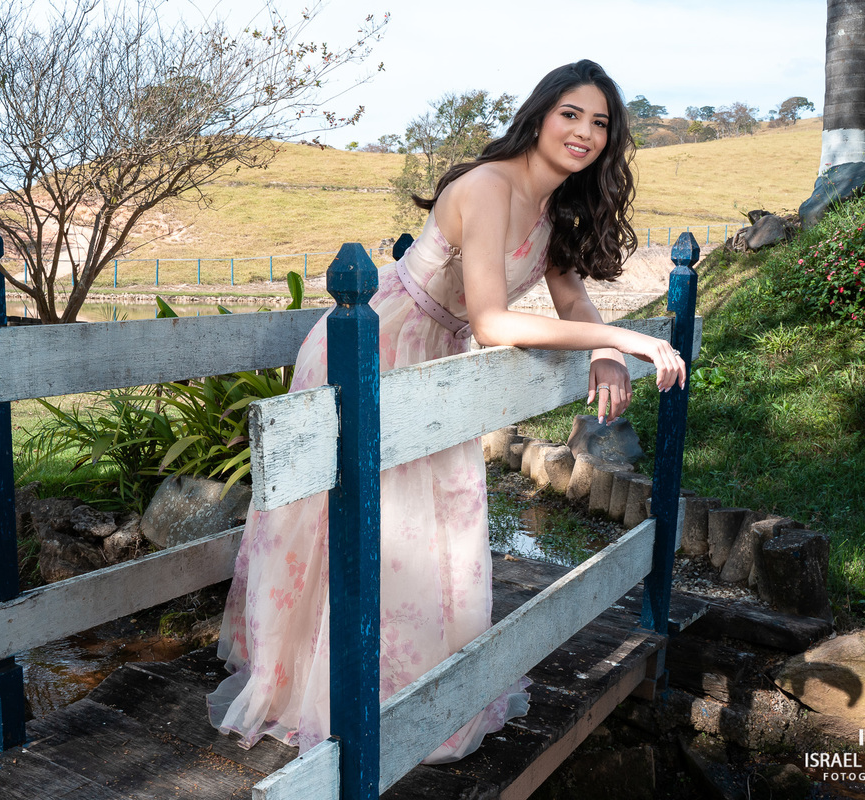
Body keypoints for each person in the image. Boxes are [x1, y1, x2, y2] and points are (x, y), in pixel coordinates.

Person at [207, 59, 686, 764]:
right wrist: (619, 336)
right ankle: (325, 692)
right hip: (378, 349)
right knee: (369, 529)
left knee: (437, 532)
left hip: (436, 364)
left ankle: (419, 687)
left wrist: (603, 352)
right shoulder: (488, 187)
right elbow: (493, 321)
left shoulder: (552, 212)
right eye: (571, 114)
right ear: (540, 114)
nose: (584, 132)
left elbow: (571, 297)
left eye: (600, 123)